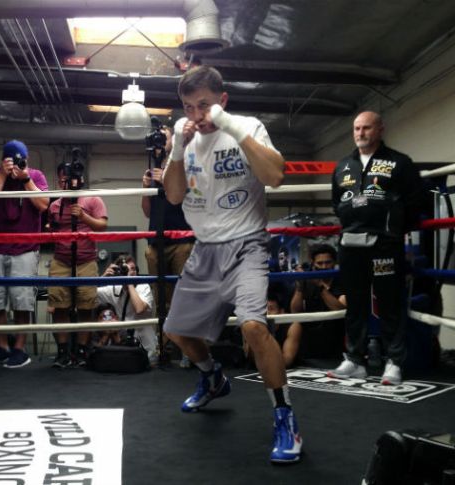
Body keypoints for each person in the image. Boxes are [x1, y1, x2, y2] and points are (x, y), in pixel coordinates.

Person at [162, 66, 302, 463]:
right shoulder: (186, 140)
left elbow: (275, 176)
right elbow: (173, 197)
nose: (196, 115)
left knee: (255, 326)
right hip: (204, 249)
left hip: (248, 245)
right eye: (188, 107)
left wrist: (228, 126)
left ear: (222, 101)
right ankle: (212, 377)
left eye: (204, 105)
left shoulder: (248, 126)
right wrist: (175, 149)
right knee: (175, 332)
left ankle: (285, 416)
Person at [328, 111, 427, 386]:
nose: (360, 133)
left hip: (385, 244)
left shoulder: (399, 163)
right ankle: (355, 360)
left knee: (389, 302)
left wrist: (392, 229)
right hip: (351, 244)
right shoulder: (343, 166)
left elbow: (415, 201)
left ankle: (394, 361)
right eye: (357, 128)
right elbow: (337, 203)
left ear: (380, 129)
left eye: (366, 128)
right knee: (355, 303)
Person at [0, 140, 49, 368]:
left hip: (24, 248)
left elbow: (43, 204)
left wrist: (25, 178)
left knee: (22, 301)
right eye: (12, 160)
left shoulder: (36, 175)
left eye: (21, 160)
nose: (18, 164)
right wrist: (2, 174)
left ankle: (19, 348)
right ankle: (1, 346)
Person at [141, 125, 196, 366]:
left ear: (173, 139)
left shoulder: (184, 162)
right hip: (156, 241)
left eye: (164, 137)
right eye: (157, 138)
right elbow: (146, 211)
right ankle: (162, 349)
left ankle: (188, 350)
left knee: (183, 297)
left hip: (182, 239)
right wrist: (145, 188)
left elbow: (183, 196)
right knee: (159, 298)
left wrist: (164, 178)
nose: (160, 142)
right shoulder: (151, 169)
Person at [48, 160, 108, 368]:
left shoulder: (93, 199)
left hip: (86, 259)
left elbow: (103, 225)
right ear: (59, 180)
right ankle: (63, 352)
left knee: (85, 306)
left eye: (70, 177)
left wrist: (84, 216)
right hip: (61, 259)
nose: (67, 181)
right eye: (63, 178)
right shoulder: (55, 205)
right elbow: (51, 229)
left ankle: (82, 350)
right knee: (60, 307)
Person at [284, 244, 346, 366]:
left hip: (335, 339)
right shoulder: (307, 281)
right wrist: (300, 286)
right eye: (320, 263)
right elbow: (295, 312)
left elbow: (339, 309)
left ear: (334, 262)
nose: (324, 267)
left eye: (328, 262)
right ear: (313, 263)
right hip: (310, 342)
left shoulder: (342, 280)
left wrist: (320, 287)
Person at [96, 255, 156, 364]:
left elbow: (139, 308)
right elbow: (90, 296)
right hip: (123, 347)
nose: (129, 272)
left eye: (132, 269)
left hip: (144, 348)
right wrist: (103, 278)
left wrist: (129, 282)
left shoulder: (143, 286)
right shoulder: (115, 288)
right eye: (125, 269)